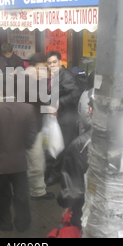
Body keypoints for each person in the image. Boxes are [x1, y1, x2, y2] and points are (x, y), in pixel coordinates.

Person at [0, 74, 37, 232]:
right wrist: (21, 147)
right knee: (21, 194)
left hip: (0, 164)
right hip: (19, 161)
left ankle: (5, 223)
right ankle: (23, 223)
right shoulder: (28, 109)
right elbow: (32, 136)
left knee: (2, 195)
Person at [45, 51, 84, 186]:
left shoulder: (66, 76)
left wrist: (59, 103)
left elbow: (76, 94)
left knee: (61, 146)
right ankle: (54, 172)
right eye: (49, 63)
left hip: (68, 117)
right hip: (60, 115)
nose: (52, 65)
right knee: (55, 144)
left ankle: (57, 175)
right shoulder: (55, 75)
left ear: (60, 62)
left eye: (54, 62)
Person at [57, 89, 93, 229]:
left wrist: (66, 205)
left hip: (83, 210)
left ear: (90, 111)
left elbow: (71, 183)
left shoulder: (79, 145)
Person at [21, 53, 54, 201]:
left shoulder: (30, 79)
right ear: (33, 67)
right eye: (42, 68)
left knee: (35, 160)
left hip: (35, 125)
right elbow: (40, 98)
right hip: (30, 128)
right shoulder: (27, 80)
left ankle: (35, 188)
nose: (45, 71)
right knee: (36, 161)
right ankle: (37, 192)